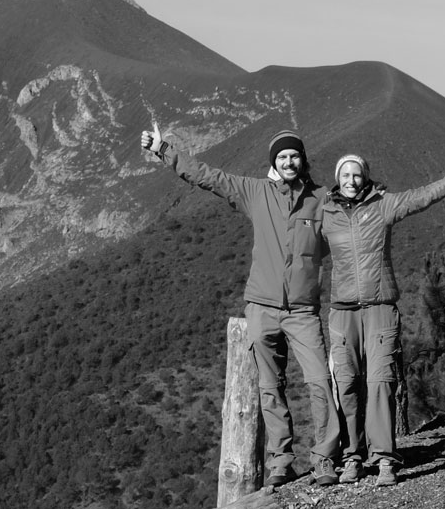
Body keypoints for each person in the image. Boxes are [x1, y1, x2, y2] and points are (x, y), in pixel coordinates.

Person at [139, 125, 338, 487]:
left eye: (294, 155)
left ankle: (324, 458)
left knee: (319, 381)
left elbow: (340, 236)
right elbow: (207, 177)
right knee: (270, 386)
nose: (289, 161)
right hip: (261, 305)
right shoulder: (254, 191)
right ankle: (280, 461)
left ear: (303, 160)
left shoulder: (322, 199)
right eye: (283, 157)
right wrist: (163, 149)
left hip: (303, 310)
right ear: (274, 163)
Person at [321, 147, 445, 486]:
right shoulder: (325, 212)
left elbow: (425, 196)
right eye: (345, 175)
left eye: (356, 174)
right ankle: (351, 457)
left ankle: (384, 458)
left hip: (380, 308)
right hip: (342, 313)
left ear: (365, 177)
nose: (351, 181)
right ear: (337, 180)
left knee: (381, 382)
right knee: (346, 386)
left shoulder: (383, 204)